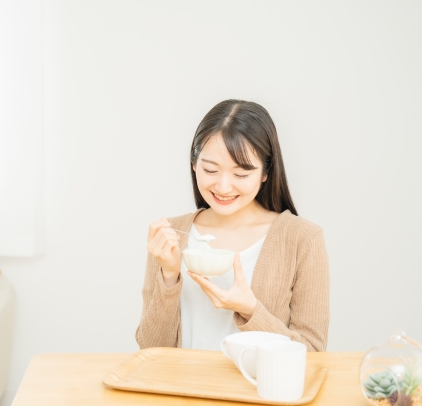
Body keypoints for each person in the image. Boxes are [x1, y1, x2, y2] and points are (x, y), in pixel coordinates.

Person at [135, 99, 329, 352]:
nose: (224, 187)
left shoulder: (302, 238)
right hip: (182, 390)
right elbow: (150, 350)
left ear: (265, 173)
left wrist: (250, 309)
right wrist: (169, 276)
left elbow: (313, 353)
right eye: (210, 170)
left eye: (241, 174)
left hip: (256, 392)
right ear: (194, 164)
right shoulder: (170, 235)